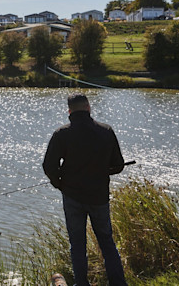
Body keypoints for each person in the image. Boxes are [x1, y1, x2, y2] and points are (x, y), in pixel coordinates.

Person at [43, 94, 128, 286]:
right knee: (107, 241)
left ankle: (81, 283)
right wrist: (102, 170)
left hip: (72, 196)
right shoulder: (106, 131)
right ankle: (118, 283)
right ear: (88, 107)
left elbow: (49, 166)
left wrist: (61, 184)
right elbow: (119, 165)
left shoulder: (61, 134)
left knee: (77, 243)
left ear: (69, 111)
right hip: (99, 197)